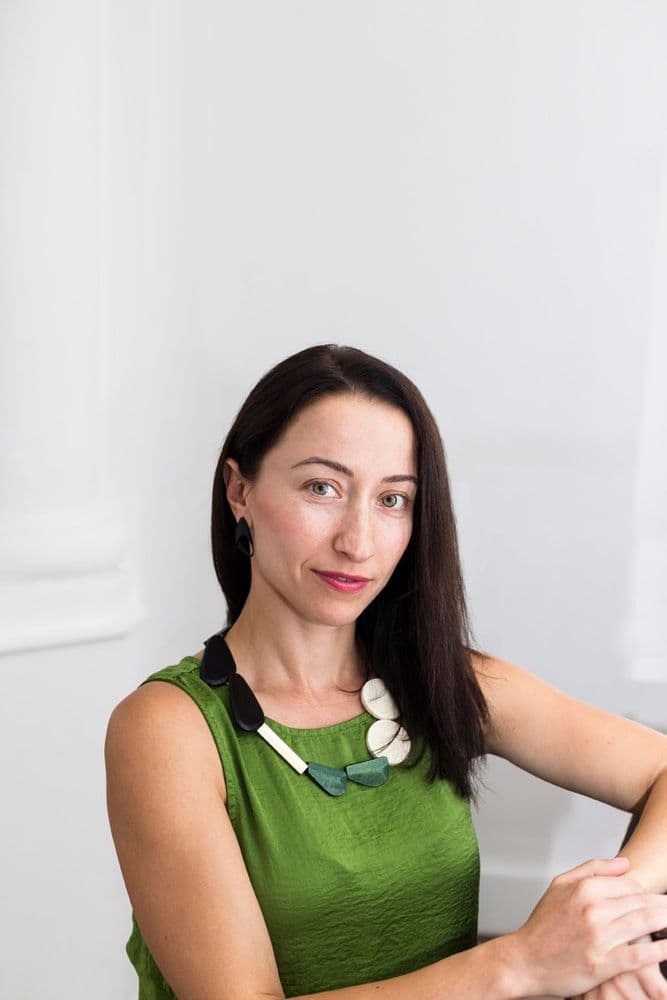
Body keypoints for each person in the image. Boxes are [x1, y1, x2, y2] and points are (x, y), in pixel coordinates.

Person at [105, 344, 667, 1000]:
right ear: (240, 491)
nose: (358, 541)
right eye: (322, 488)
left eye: (392, 500)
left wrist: (608, 928)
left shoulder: (442, 680)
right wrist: (520, 964)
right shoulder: (167, 730)